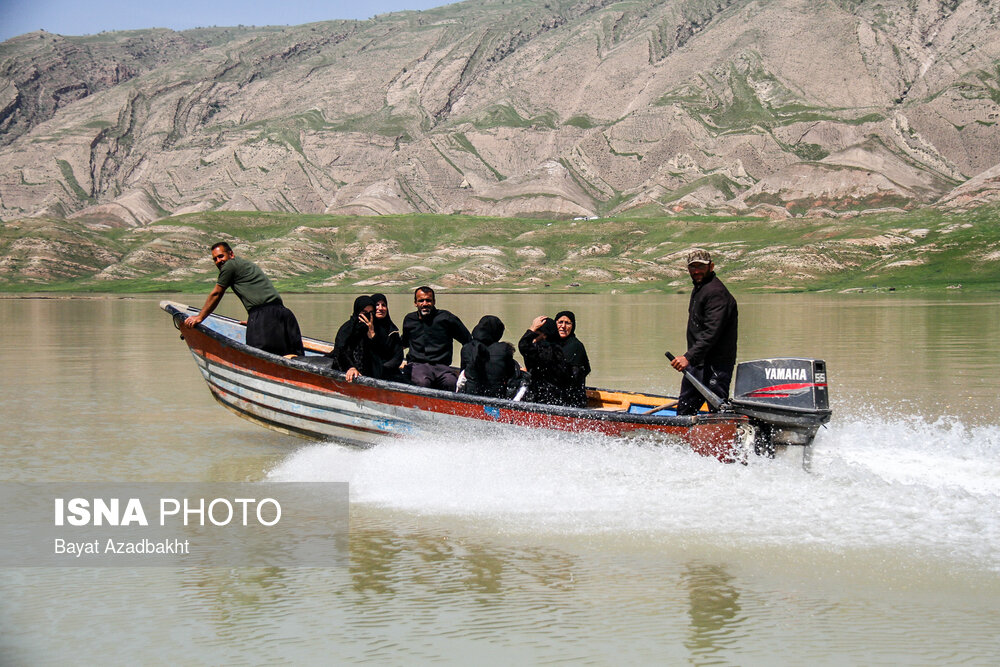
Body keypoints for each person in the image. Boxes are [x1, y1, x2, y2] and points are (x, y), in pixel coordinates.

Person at [184, 241, 304, 356]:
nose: (218, 261)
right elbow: (264, 298)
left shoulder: (229, 265)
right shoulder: (246, 264)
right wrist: (256, 322)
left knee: (260, 358)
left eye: (221, 256)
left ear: (231, 254)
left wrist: (200, 317)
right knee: (293, 357)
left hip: (266, 316)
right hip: (283, 315)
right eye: (215, 259)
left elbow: (216, 293)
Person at [669, 248, 738, 415]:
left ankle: (725, 439)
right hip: (697, 364)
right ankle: (684, 439)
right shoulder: (701, 288)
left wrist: (688, 357)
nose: (697, 271)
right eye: (693, 267)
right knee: (685, 412)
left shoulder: (716, 293)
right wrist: (692, 359)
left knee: (717, 412)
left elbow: (712, 332)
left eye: (701, 266)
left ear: (711, 266)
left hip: (715, 366)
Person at [401, 286, 472, 391]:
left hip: (442, 367)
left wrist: (466, 369)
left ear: (434, 302)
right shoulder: (409, 320)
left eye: (428, 300)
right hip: (417, 366)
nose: (425, 304)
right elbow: (404, 342)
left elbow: (467, 341)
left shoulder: (446, 318)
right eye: (421, 300)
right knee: (423, 383)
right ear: (415, 303)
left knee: (451, 383)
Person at [458, 315, 519, 399]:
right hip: (496, 397)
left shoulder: (467, 348)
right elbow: (511, 374)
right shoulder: (503, 349)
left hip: (470, 396)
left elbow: (463, 373)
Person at [518, 316, 574, 406]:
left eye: (536, 334)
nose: (534, 337)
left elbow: (523, 346)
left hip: (541, 396)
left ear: (544, 335)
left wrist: (532, 328)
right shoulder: (558, 349)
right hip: (559, 396)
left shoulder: (542, 349)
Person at [329, 295, 381, 382]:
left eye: (371, 312)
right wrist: (350, 367)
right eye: (364, 312)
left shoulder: (377, 329)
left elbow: (379, 353)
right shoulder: (347, 329)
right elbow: (340, 350)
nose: (367, 315)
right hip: (346, 369)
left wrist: (371, 334)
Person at [554, 310, 591, 408]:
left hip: (572, 400)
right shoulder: (551, 344)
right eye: (560, 322)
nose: (563, 326)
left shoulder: (576, 346)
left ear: (573, 326)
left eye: (567, 323)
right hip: (555, 396)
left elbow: (576, 376)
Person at [370, 293, 404, 382]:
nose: (380, 308)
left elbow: (398, 356)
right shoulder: (364, 327)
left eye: (383, 305)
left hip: (387, 370)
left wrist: (384, 368)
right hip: (368, 369)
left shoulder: (392, 330)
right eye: (377, 305)